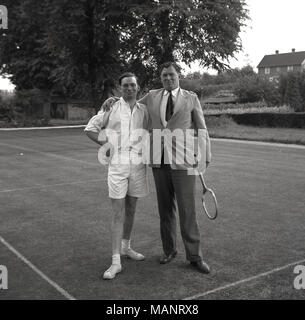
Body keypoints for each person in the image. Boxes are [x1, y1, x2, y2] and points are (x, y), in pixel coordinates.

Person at [102, 62, 212, 274]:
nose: (168, 79)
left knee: (187, 210)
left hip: (185, 161)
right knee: (165, 210)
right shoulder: (152, 96)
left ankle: (195, 256)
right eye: (164, 76)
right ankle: (169, 251)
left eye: (171, 75)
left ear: (178, 76)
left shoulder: (191, 98)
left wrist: (204, 157)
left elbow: (202, 129)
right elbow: (130, 102)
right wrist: (113, 99)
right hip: (158, 161)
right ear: (161, 78)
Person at [84, 72, 149, 280]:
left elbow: (148, 133)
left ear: (137, 87)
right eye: (125, 85)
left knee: (131, 209)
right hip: (117, 164)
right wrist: (107, 145)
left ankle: (126, 248)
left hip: (138, 164)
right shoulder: (110, 107)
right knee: (117, 212)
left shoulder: (144, 110)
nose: (129, 88)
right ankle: (115, 262)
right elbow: (90, 129)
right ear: (120, 88)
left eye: (132, 85)